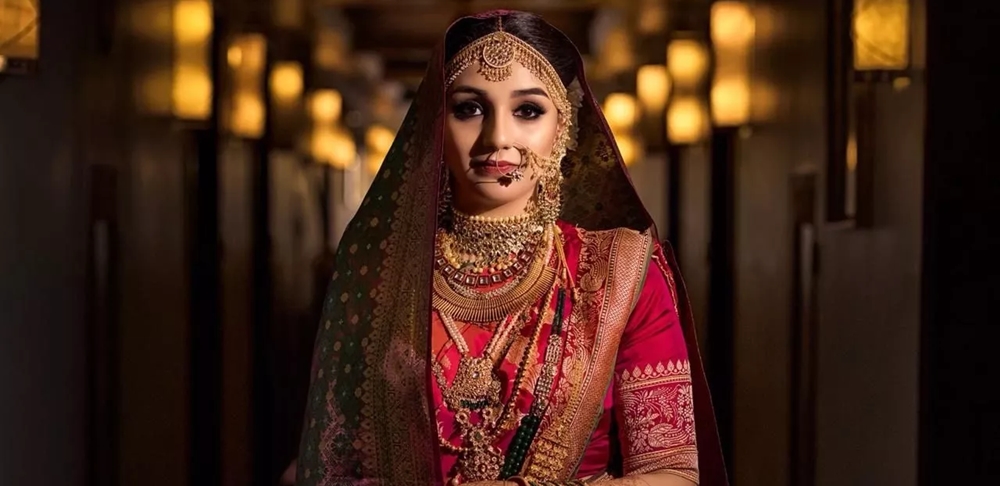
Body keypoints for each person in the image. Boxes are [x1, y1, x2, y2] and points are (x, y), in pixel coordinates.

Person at [288, 9, 728, 486]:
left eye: (528, 111)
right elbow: (334, 470)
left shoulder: (622, 274)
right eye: (469, 109)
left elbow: (672, 473)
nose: (497, 138)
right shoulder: (378, 282)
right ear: (438, 125)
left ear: (564, 128)